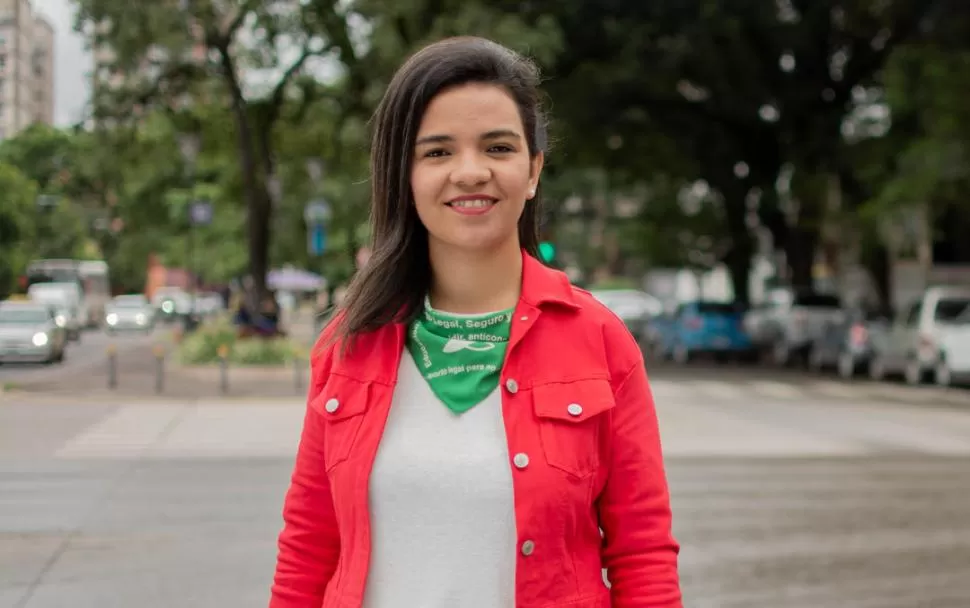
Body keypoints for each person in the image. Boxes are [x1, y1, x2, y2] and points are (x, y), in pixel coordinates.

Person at [269, 36, 681, 608]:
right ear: (404, 176)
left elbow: (642, 557)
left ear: (533, 170)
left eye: (498, 148)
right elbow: (307, 552)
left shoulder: (600, 341)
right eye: (437, 152)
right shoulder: (347, 347)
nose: (471, 172)